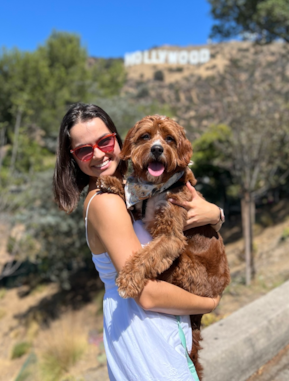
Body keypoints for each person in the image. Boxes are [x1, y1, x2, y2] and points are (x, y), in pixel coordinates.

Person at [54, 103, 224, 380]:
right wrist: (210, 304)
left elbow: (193, 221)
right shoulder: (106, 202)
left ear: (119, 140)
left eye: (105, 141)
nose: (97, 154)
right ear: (72, 157)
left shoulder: (135, 188)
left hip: (156, 322)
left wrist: (216, 214)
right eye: (84, 149)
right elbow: (146, 294)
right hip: (146, 331)